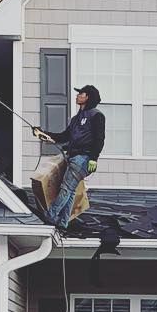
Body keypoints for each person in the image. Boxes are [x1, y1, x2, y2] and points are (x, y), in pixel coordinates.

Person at [32, 86, 106, 228]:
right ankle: (63, 221)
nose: (77, 96)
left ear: (88, 97)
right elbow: (64, 136)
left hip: (83, 159)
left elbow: (99, 139)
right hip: (73, 157)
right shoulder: (75, 119)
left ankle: (51, 214)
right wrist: (43, 133)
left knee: (66, 188)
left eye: (80, 93)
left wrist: (93, 158)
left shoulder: (97, 116)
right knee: (70, 190)